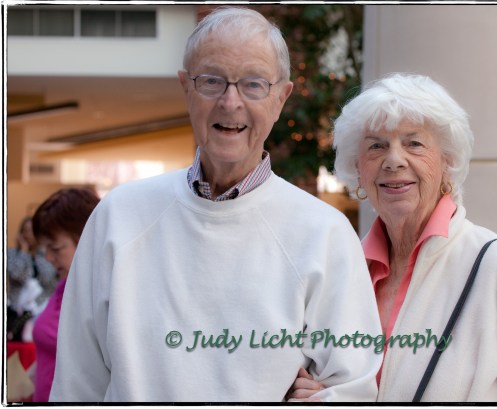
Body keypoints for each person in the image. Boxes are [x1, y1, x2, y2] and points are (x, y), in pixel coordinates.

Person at [49, 7, 381, 402]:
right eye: (211, 81)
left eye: (254, 84)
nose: (230, 101)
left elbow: (353, 387)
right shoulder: (118, 216)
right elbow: (76, 381)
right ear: (185, 88)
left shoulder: (324, 232)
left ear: (281, 98)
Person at [288, 73, 497, 402]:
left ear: (447, 161)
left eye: (414, 144)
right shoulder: (340, 274)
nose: (394, 160)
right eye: (376, 146)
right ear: (358, 169)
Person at [30, 188, 101, 402]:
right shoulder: (64, 286)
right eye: (45, 249)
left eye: (56, 248)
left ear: (85, 240)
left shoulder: (100, 296)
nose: (48, 258)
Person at [7, 217, 58, 341]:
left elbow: (48, 278)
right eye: (25, 231)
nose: (28, 235)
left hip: (39, 310)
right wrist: (24, 253)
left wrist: (39, 252)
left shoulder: (46, 256)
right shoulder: (12, 254)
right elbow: (18, 275)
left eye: (32, 231)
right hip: (17, 312)